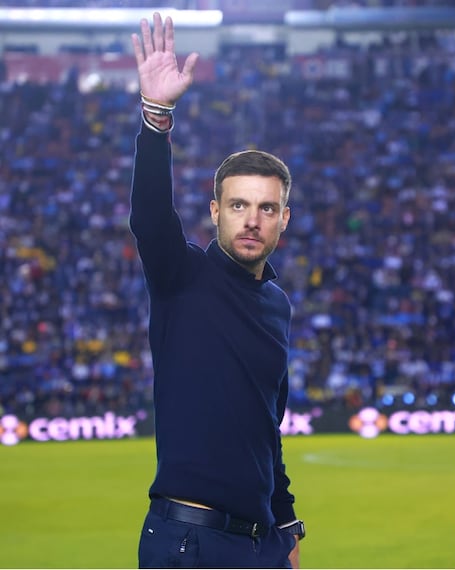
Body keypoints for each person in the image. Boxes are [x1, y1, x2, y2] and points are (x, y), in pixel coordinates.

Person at [129, 13, 305, 567]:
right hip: (189, 540)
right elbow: (150, 218)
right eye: (238, 206)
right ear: (215, 213)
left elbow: (265, 430)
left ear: (283, 220)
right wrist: (157, 119)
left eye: (266, 208)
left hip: (261, 545)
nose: (251, 220)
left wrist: (286, 527)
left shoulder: (278, 306)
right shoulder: (180, 276)